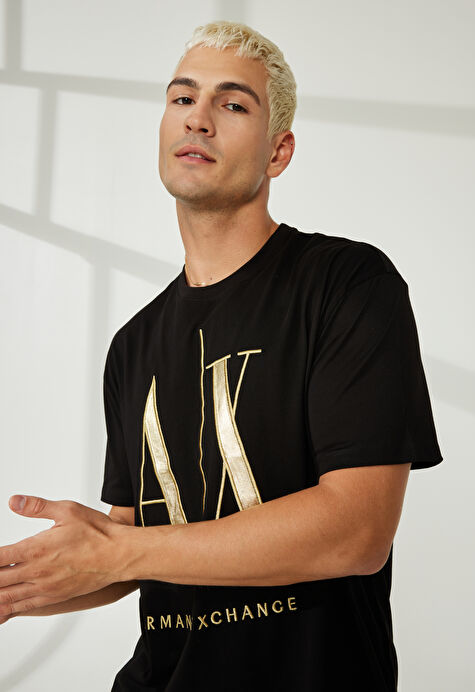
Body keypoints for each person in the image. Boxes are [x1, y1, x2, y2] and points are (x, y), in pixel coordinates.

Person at [0, 20, 443, 692]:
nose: (198, 119)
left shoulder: (346, 283)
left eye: (232, 104)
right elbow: (127, 548)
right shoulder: (133, 344)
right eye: (182, 98)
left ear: (278, 151)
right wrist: (20, 584)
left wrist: (120, 550)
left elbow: (357, 532)